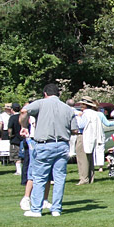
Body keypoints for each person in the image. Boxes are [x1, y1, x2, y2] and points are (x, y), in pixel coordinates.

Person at [20, 84, 75, 217]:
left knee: (39, 177)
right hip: (62, 145)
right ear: (59, 94)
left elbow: (24, 111)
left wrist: (23, 126)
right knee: (59, 178)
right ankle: (56, 209)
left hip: (44, 144)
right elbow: (74, 129)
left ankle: (36, 209)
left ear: (45, 93)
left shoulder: (40, 103)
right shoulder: (68, 108)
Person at [75, 98, 106, 185]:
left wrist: (78, 117)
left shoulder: (85, 114)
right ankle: (90, 177)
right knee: (89, 159)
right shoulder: (94, 114)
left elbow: (81, 125)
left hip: (84, 136)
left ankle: (84, 178)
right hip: (92, 137)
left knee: (82, 159)